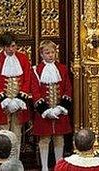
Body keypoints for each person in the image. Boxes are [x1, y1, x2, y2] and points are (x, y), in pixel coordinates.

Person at [31, 40, 73, 171]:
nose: (50, 55)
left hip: (59, 111)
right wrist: (46, 111)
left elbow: (68, 88)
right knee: (44, 140)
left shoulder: (62, 68)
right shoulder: (36, 70)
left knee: (59, 139)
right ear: (41, 54)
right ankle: (44, 167)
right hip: (44, 112)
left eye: (52, 52)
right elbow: (35, 91)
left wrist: (61, 108)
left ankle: (58, 167)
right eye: (47, 52)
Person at [0, 32, 31, 159]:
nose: (11, 49)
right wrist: (6, 101)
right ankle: (3, 163)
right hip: (3, 106)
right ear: (3, 47)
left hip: (19, 105)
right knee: (4, 136)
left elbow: (27, 79)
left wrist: (18, 101)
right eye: (8, 47)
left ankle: (15, 161)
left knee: (17, 135)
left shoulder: (23, 58)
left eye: (13, 46)